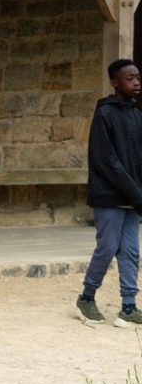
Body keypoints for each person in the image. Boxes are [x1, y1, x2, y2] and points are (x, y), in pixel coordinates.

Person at [73, 58, 142, 328]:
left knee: (131, 252)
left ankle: (128, 307)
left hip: (133, 198)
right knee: (108, 247)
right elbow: (106, 160)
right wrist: (135, 194)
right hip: (110, 197)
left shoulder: (137, 116)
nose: (136, 82)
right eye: (129, 78)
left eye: (138, 77)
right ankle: (86, 298)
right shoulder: (104, 114)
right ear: (115, 83)